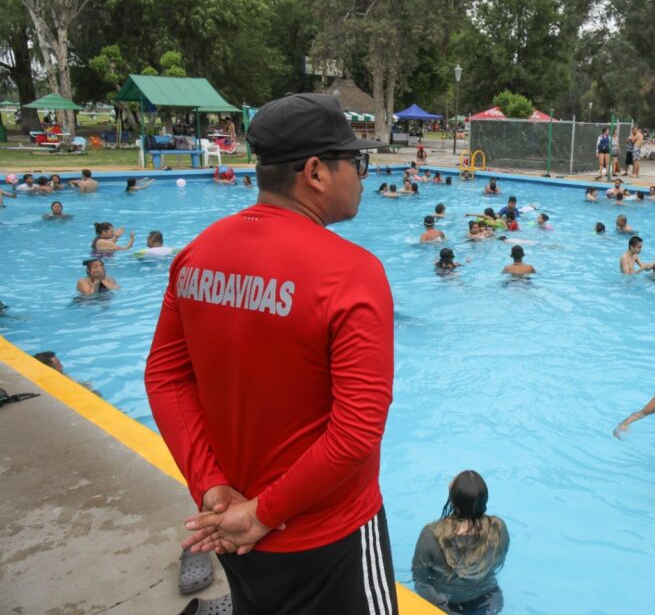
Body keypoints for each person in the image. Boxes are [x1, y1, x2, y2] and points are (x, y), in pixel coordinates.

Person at [146, 93, 398, 614]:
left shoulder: (198, 254)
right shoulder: (351, 273)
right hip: (328, 535)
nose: (362, 175)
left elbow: (165, 379)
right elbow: (357, 430)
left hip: (232, 528)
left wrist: (212, 486)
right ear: (315, 172)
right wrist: (264, 513)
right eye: (357, 162)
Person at [412, 470, 509, 615]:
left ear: (454, 501)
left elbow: (420, 580)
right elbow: (498, 561)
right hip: (491, 601)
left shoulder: (431, 535)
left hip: (448, 606)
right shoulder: (498, 529)